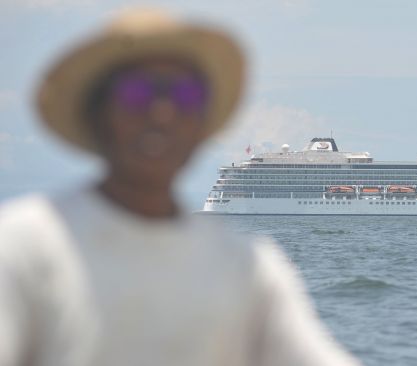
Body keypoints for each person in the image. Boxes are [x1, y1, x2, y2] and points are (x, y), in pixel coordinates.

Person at [0, 8, 359, 366]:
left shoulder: (245, 265)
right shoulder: (24, 244)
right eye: (137, 93)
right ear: (98, 112)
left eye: (186, 95)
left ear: (203, 121)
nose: (162, 113)